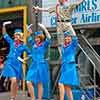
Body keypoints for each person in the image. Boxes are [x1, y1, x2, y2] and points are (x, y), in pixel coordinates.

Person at [2, 21, 31, 100]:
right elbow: (5, 35)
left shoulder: (23, 46)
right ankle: (12, 97)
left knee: (16, 83)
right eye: (15, 35)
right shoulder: (11, 42)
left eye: (17, 35)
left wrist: (24, 59)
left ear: (20, 36)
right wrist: (4, 25)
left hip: (18, 65)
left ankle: (13, 97)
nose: (16, 37)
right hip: (10, 63)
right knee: (14, 80)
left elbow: (30, 54)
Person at [26, 23, 51, 100]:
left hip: (41, 65)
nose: (36, 39)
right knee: (28, 82)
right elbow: (29, 37)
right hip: (33, 65)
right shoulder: (33, 44)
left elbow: (49, 38)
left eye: (38, 38)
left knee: (39, 83)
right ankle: (33, 98)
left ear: (41, 38)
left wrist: (44, 29)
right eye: (36, 38)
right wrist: (28, 30)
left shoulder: (44, 45)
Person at [58, 30, 79, 100]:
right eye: (66, 38)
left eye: (68, 38)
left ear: (71, 38)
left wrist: (70, 28)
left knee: (60, 83)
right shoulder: (63, 46)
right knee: (67, 87)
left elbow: (75, 39)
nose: (67, 39)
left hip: (70, 66)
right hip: (64, 67)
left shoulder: (72, 45)